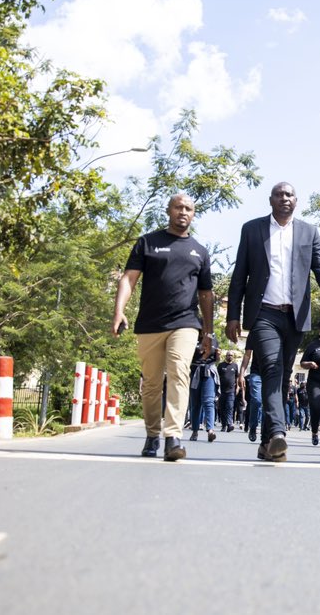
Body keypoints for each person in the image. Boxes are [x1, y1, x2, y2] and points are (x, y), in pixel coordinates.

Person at [227, 182, 320, 463]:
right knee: (274, 369)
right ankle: (278, 432)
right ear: (270, 200)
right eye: (279, 194)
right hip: (264, 313)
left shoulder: (308, 232)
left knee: (282, 375)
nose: (284, 198)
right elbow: (239, 274)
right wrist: (233, 316)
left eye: (289, 195)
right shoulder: (252, 229)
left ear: (296, 201)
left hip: (295, 316)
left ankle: (267, 445)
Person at [111, 193, 214, 462]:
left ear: (193, 214)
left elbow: (206, 294)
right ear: (168, 210)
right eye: (178, 207)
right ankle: (152, 434)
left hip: (186, 323)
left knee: (179, 372)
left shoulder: (200, 252)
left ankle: (173, 438)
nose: (183, 212)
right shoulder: (148, 242)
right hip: (150, 324)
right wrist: (119, 311)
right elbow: (129, 279)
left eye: (188, 209)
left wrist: (209, 331)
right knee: (152, 383)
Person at [188, 337, 219, 442]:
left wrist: (218, 356)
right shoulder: (191, 338)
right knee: (195, 403)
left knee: (208, 401)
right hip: (195, 371)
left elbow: (216, 358)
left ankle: (210, 430)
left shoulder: (214, 340)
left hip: (208, 372)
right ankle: (195, 430)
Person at [238, 336, 262, 443]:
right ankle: (253, 426)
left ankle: (266, 431)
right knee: (257, 400)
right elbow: (247, 355)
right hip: (256, 373)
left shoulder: (277, 328)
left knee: (268, 404)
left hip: (271, 373)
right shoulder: (254, 332)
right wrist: (241, 374)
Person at [217, 351, 240, 432]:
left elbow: (237, 377)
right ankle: (223, 425)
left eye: (231, 355)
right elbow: (217, 377)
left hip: (231, 391)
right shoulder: (221, 365)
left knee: (230, 407)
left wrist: (237, 387)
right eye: (228, 355)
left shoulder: (235, 366)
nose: (230, 356)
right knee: (222, 408)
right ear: (225, 356)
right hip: (222, 391)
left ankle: (229, 424)